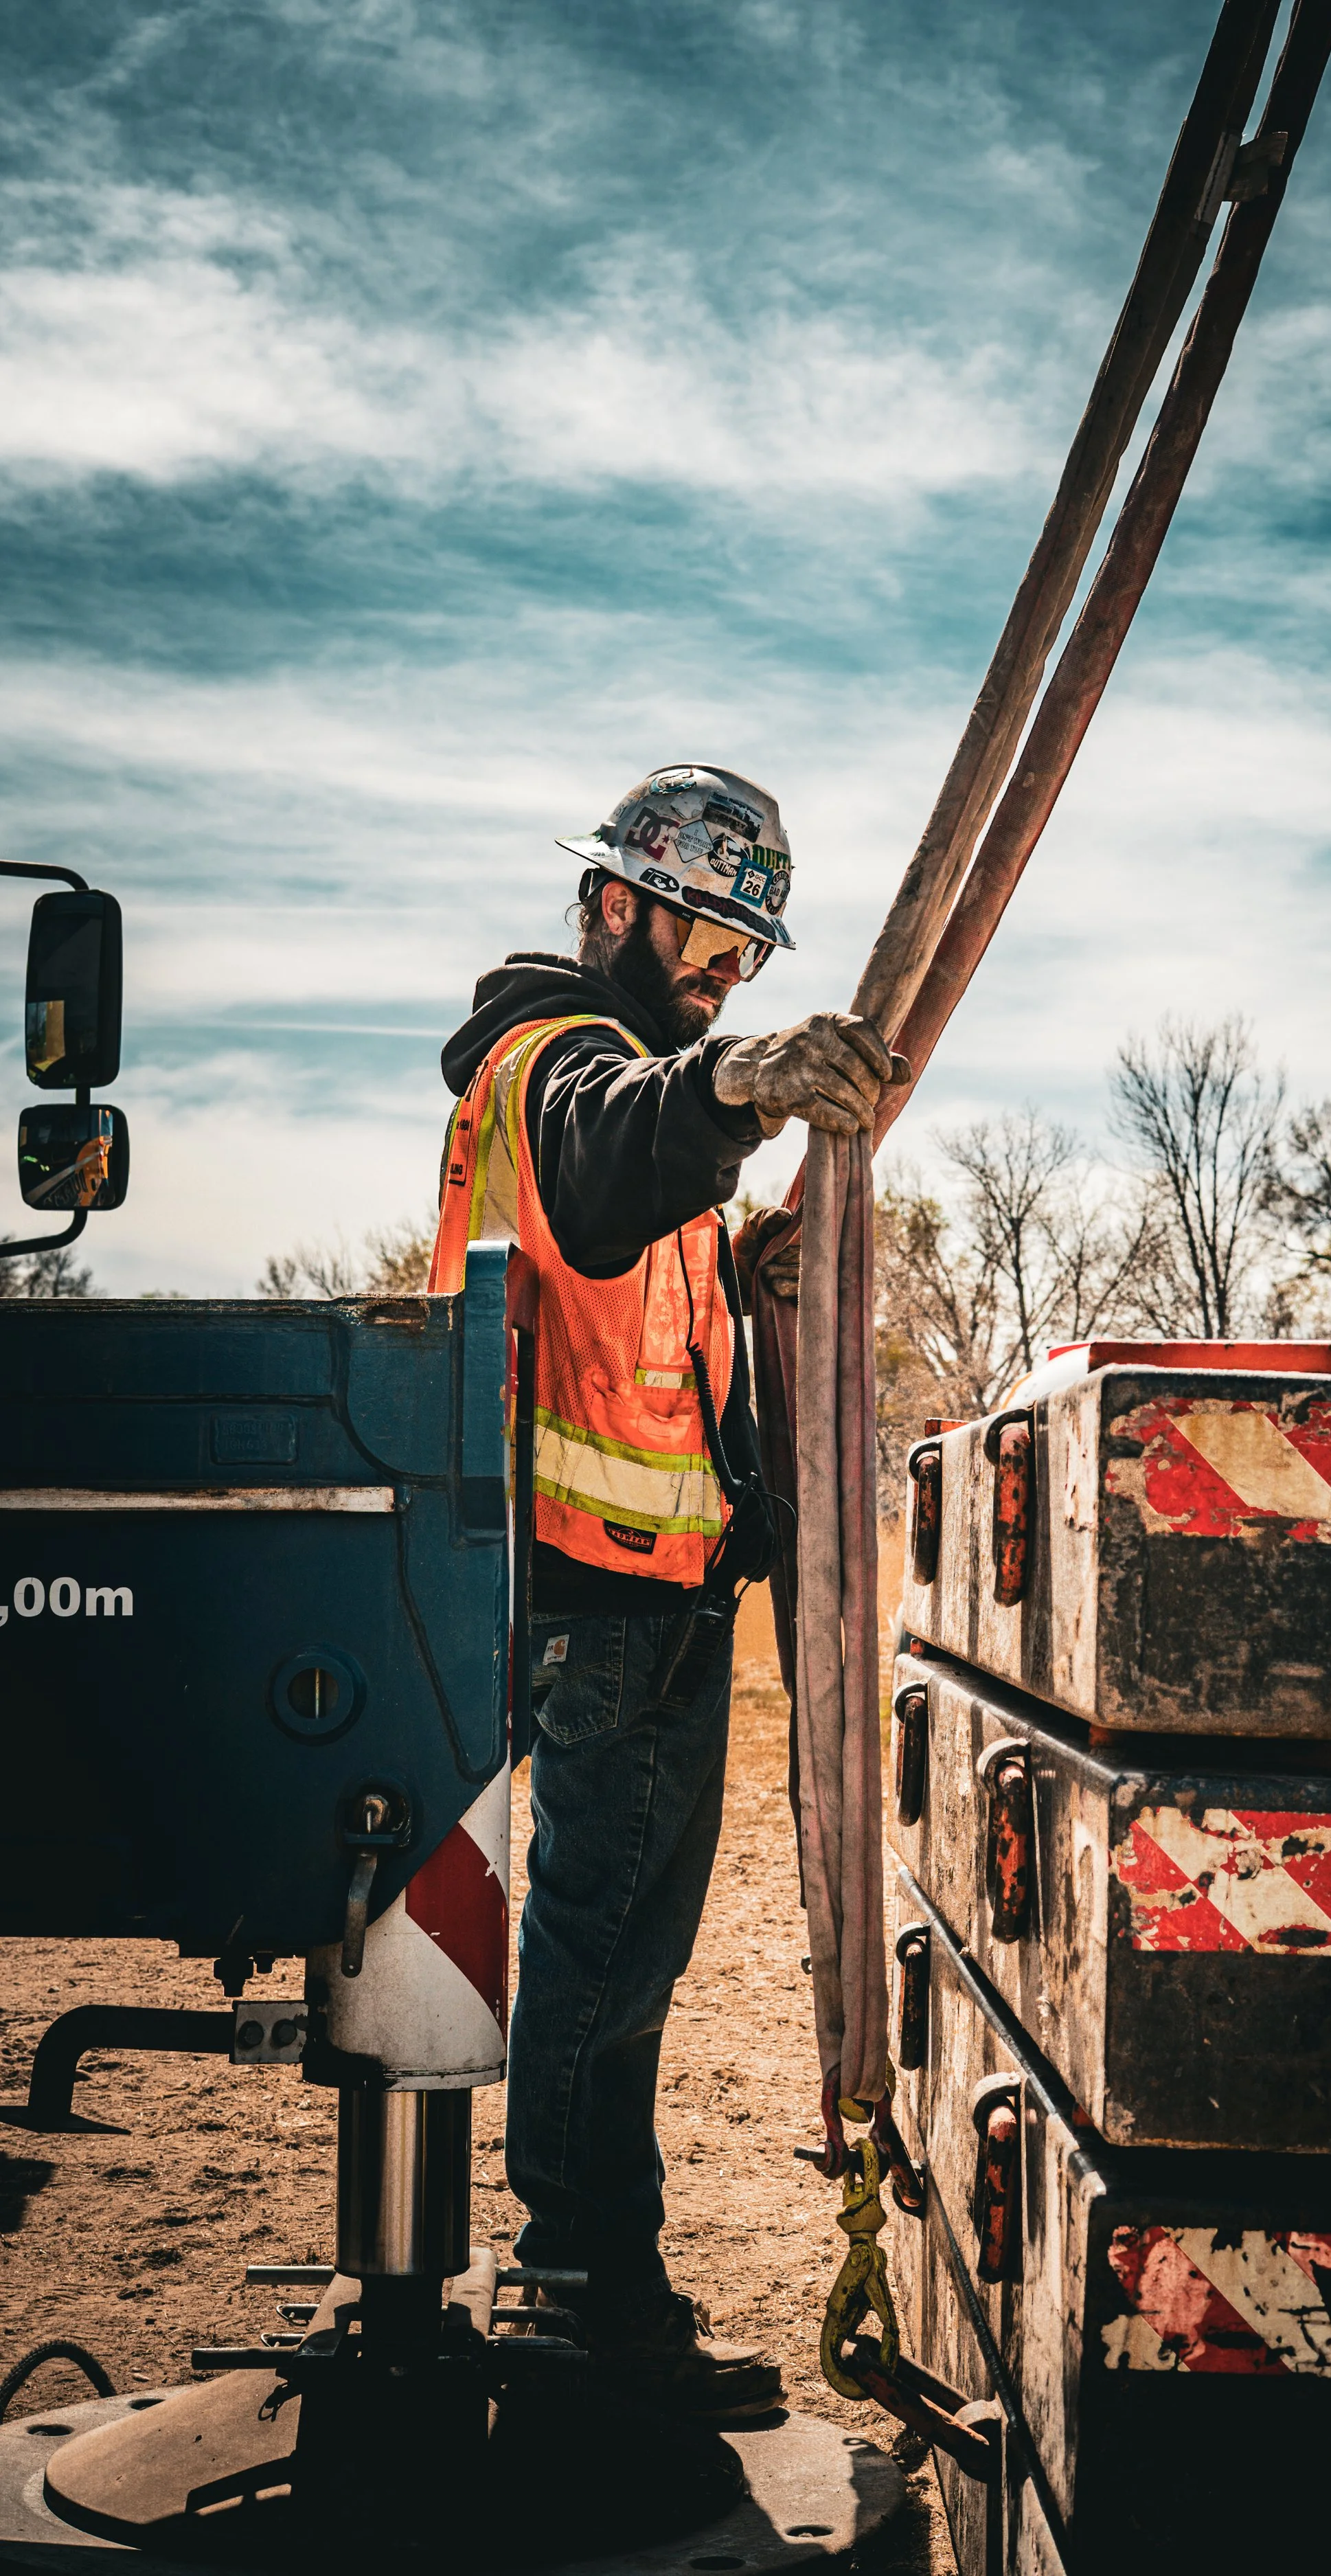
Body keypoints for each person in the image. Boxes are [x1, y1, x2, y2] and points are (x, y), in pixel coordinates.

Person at [431, 765, 900, 2419]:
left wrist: (753, 1266)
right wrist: (743, 1080)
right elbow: (613, 1162)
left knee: (623, 1941)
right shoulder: (559, 1055)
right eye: (711, 934)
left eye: (748, 956)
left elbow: (646, 1286)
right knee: (605, 1939)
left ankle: (594, 2282)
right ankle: (573, 2298)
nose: (726, 972)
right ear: (618, 902)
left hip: (655, 1579)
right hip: (595, 1585)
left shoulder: (642, 1077)